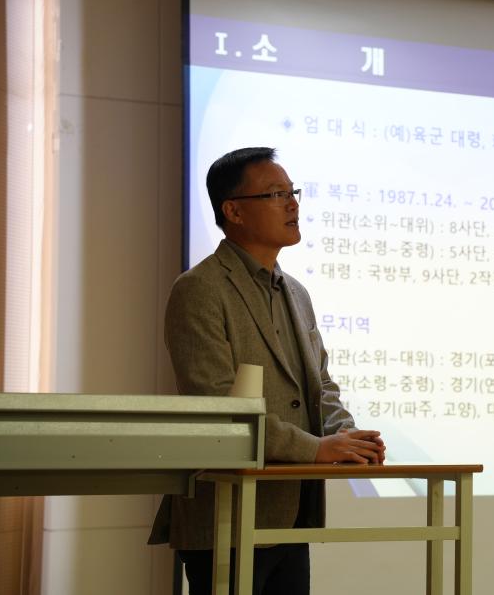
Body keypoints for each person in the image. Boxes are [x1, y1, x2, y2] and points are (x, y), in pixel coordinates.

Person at [148, 147, 386, 594]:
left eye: (293, 192)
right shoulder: (199, 289)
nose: (292, 204)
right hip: (228, 513)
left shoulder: (296, 292)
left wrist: (348, 437)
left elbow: (320, 386)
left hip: (289, 510)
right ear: (233, 211)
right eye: (276, 194)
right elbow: (218, 405)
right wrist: (315, 449)